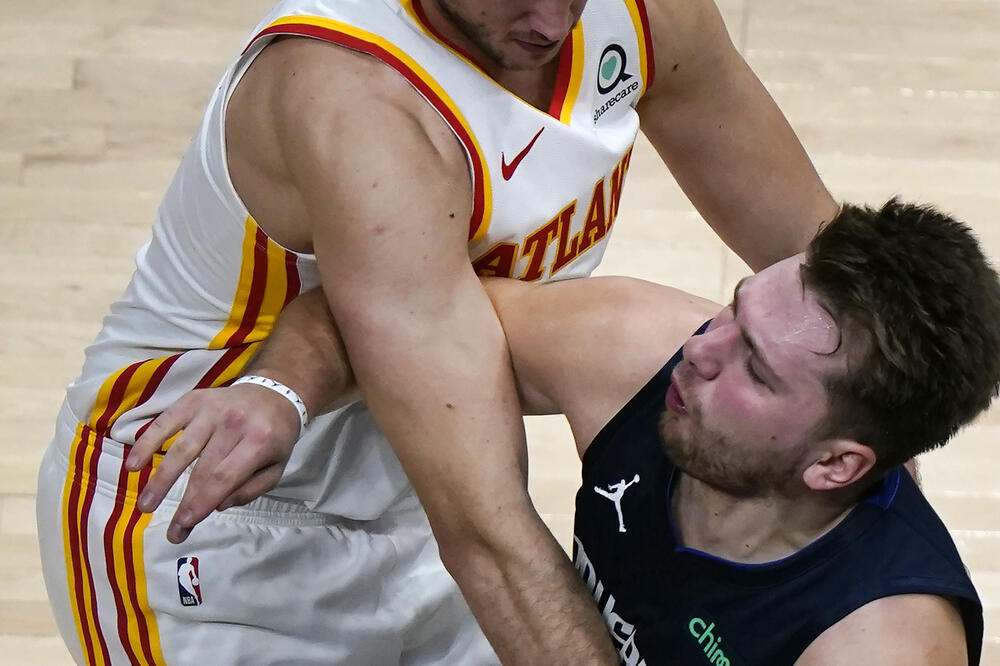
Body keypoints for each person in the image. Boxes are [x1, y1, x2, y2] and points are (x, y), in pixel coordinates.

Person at [36, 0, 837, 663]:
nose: (553, 20)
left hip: (419, 496)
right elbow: (485, 532)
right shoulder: (354, 98)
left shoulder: (644, 17)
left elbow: (837, 279)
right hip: (206, 518)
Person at [141, 200, 999, 664]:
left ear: (836, 465)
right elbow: (385, 311)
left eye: (757, 369)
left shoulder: (880, 645)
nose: (702, 351)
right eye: (735, 310)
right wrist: (278, 394)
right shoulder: (637, 349)